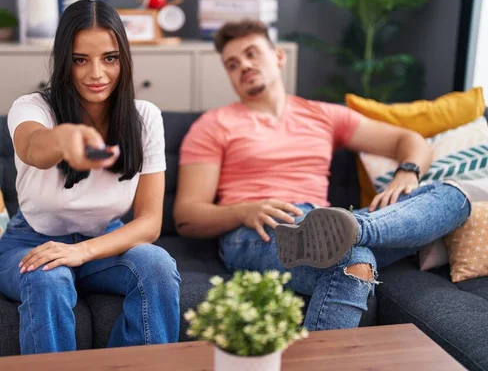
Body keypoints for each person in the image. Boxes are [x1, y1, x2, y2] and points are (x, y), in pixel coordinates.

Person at [174, 20, 471, 331]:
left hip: (324, 221)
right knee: (355, 260)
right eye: (232, 64)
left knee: (454, 196)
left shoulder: (323, 115)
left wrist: (407, 173)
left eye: (252, 53)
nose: (244, 66)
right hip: (259, 230)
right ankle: (351, 230)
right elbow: (187, 216)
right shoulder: (214, 125)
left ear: (278, 56)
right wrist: (244, 210)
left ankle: (357, 228)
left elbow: (409, 141)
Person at [0, 0, 180, 354]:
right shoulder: (33, 108)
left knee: (157, 265)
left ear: (124, 59)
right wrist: (64, 138)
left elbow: (150, 223)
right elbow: (32, 146)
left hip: (100, 242)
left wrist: (81, 252)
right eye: (80, 60)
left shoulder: (145, 118)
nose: (96, 74)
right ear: (64, 62)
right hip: (29, 241)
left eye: (110, 58)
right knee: (49, 277)